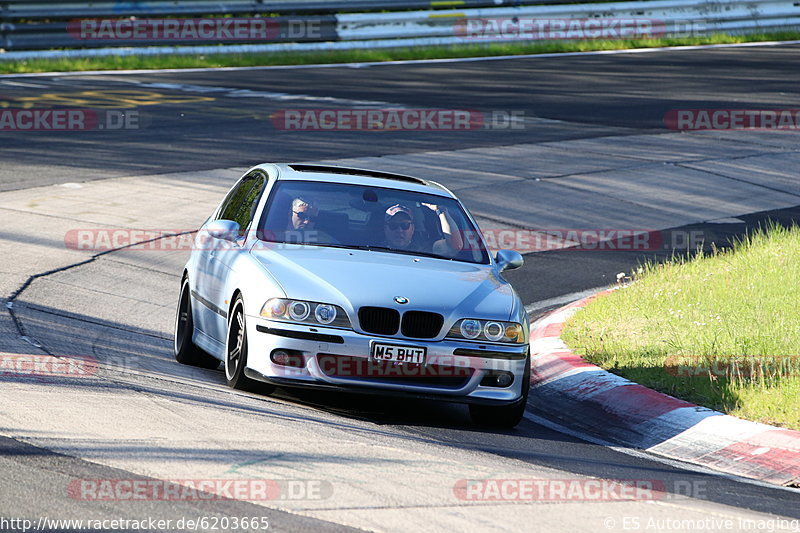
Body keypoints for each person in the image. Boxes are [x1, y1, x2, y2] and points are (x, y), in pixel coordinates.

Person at [382, 203, 463, 256]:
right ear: (385, 229)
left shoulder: (425, 249)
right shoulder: (372, 248)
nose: (399, 230)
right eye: (393, 225)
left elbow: (454, 246)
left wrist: (441, 211)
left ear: (412, 229)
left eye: (405, 225)